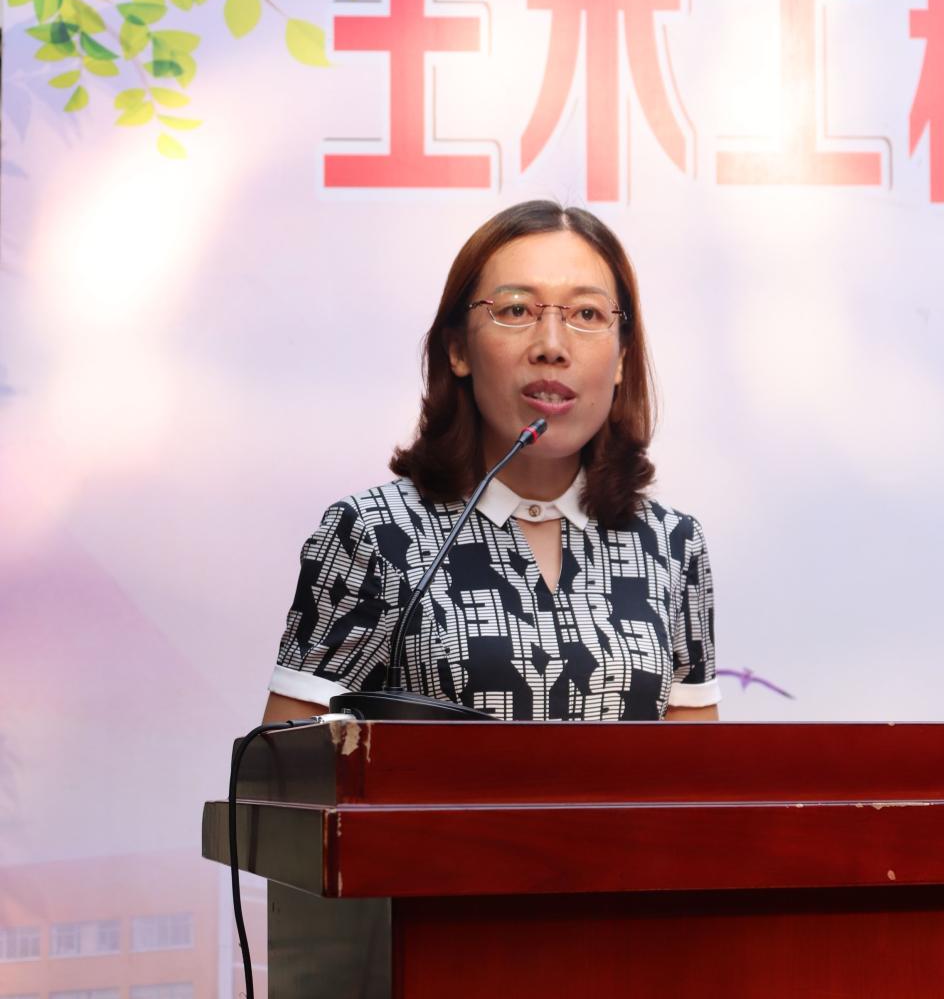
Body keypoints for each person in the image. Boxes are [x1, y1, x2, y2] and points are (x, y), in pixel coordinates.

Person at [264, 201, 720, 724]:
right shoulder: (375, 535)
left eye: (587, 314)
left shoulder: (672, 544)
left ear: (621, 359)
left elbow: (697, 769)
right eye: (517, 310)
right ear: (458, 349)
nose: (552, 346)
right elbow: (285, 765)